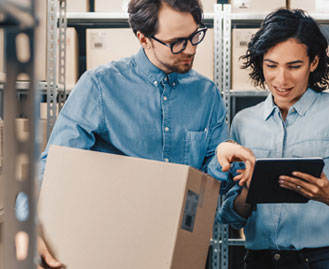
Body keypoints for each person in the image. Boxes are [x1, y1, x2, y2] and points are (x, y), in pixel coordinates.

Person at [36, 0, 255, 268]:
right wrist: (26, 224)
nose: (191, 49)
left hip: (182, 251)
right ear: (143, 38)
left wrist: (222, 154)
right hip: (111, 250)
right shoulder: (100, 87)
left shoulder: (206, 94)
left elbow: (208, 180)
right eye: (177, 42)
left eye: (195, 35)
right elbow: (54, 167)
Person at [217, 8, 329, 269]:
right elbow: (233, 219)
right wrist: (248, 188)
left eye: (294, 66)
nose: (281, 79)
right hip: (259, 261)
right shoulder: (244, 122)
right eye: (271, 66)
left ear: (313, 63)